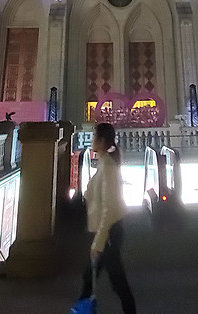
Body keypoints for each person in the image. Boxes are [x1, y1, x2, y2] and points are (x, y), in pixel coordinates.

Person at [77, 122, 136, 314]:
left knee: (116, 281)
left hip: (109, 233)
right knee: (93, 278)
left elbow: (109, 208)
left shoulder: (108, 167)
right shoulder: (103, 163)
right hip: (107, 232)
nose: (91, 140)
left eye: (94, 137)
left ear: (102, 141)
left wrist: (99, 241)